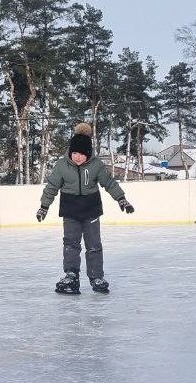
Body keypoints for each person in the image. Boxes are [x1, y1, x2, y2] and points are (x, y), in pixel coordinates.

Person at [36, 122, 134, 294]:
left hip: (91, 209)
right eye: (74, 153)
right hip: (70, 209)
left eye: (81, 154)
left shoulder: (96, 165)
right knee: (71, 244)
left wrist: (121, 199)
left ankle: (96, 277)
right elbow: (51, 186)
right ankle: (71, 275)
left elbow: (109, 183)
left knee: (94, 245)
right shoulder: (62, 165)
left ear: (88, 153)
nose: (78, 157)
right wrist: (44, 206)